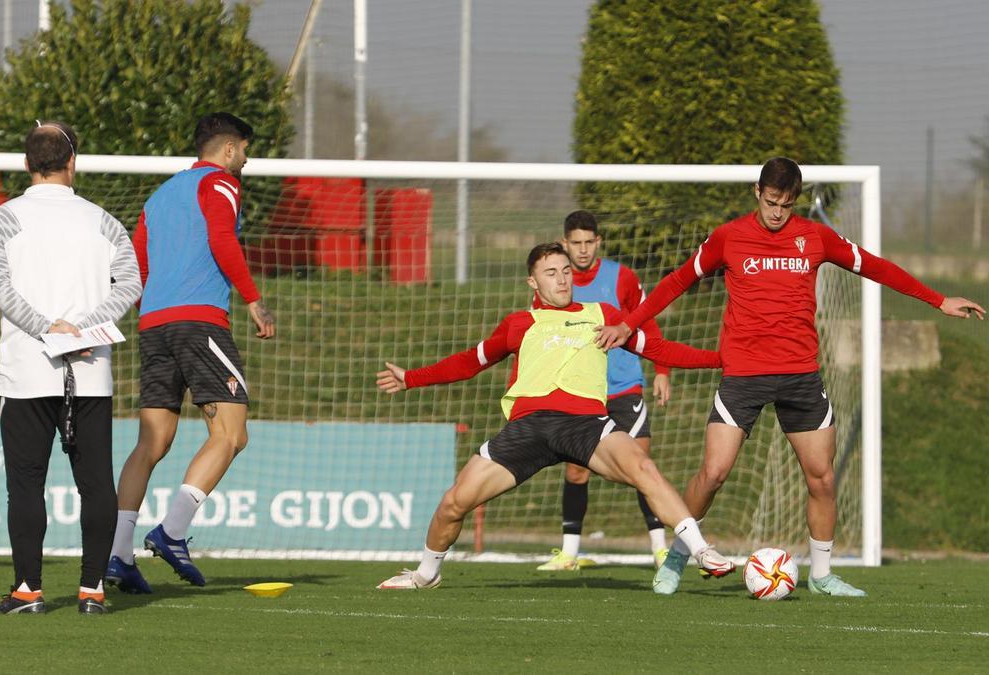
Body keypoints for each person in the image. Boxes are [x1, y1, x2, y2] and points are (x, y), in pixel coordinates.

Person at [596, 157, 986, 597]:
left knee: (821, 477)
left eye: (785, 204)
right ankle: (679, 557)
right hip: (743, 375)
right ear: (756, 194)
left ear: (795, 201)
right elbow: (676, 282)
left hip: (801, 376)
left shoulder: (815, 237)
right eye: (769, 202)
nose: (777, 212)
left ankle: (821, 575)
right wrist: (629, 324)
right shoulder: (728, 238)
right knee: (713, 473)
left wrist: (937, 300)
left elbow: (874, 266)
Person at [375, 242, 735, 591]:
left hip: (586, 424)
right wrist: (411, 378)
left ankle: (700, 550)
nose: (562, 279)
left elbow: (658, 348)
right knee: (454, 502)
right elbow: (471, 362)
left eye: (566, 271)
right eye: (551, 273)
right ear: (533, 282)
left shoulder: (602, 315)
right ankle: (425, 574)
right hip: (528, 427)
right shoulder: (519, 324)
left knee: (644, 469)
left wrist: (721, 360)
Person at [106, 112, 275, 594]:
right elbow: (223, 240)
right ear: (227, 150)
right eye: (244, 150)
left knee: (151, 442)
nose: (245, 159)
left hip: (154, 324)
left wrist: (152, 312)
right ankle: (173, 531)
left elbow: (137, 263)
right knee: (232, 432)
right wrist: (253, 299)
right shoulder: (221, 183)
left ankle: (119, 553)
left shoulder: (158, 197)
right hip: (198, 321)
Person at [0, 121, 141, 614]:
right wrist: (82, 328)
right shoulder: (103, 220)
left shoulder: (4, 217)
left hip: (27, 372)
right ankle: (93, 591)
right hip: (89, 370)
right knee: (96, 484)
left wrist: (47, 328)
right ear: (73, 162)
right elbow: (130, 284)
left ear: (28, 164)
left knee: (25, 485)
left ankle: (28, 591)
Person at [536, 211, 673, 572]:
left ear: (598, 242)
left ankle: (660, 550)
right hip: (580, 394)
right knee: (576, 472)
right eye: (575, 243)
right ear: (565, 243)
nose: (582, 250)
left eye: (588, 242)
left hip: (624, 387)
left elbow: (648, 322)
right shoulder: (554, 284)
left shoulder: (622, 277)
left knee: (642, 467)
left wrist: (662, 370)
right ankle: (569, 554)